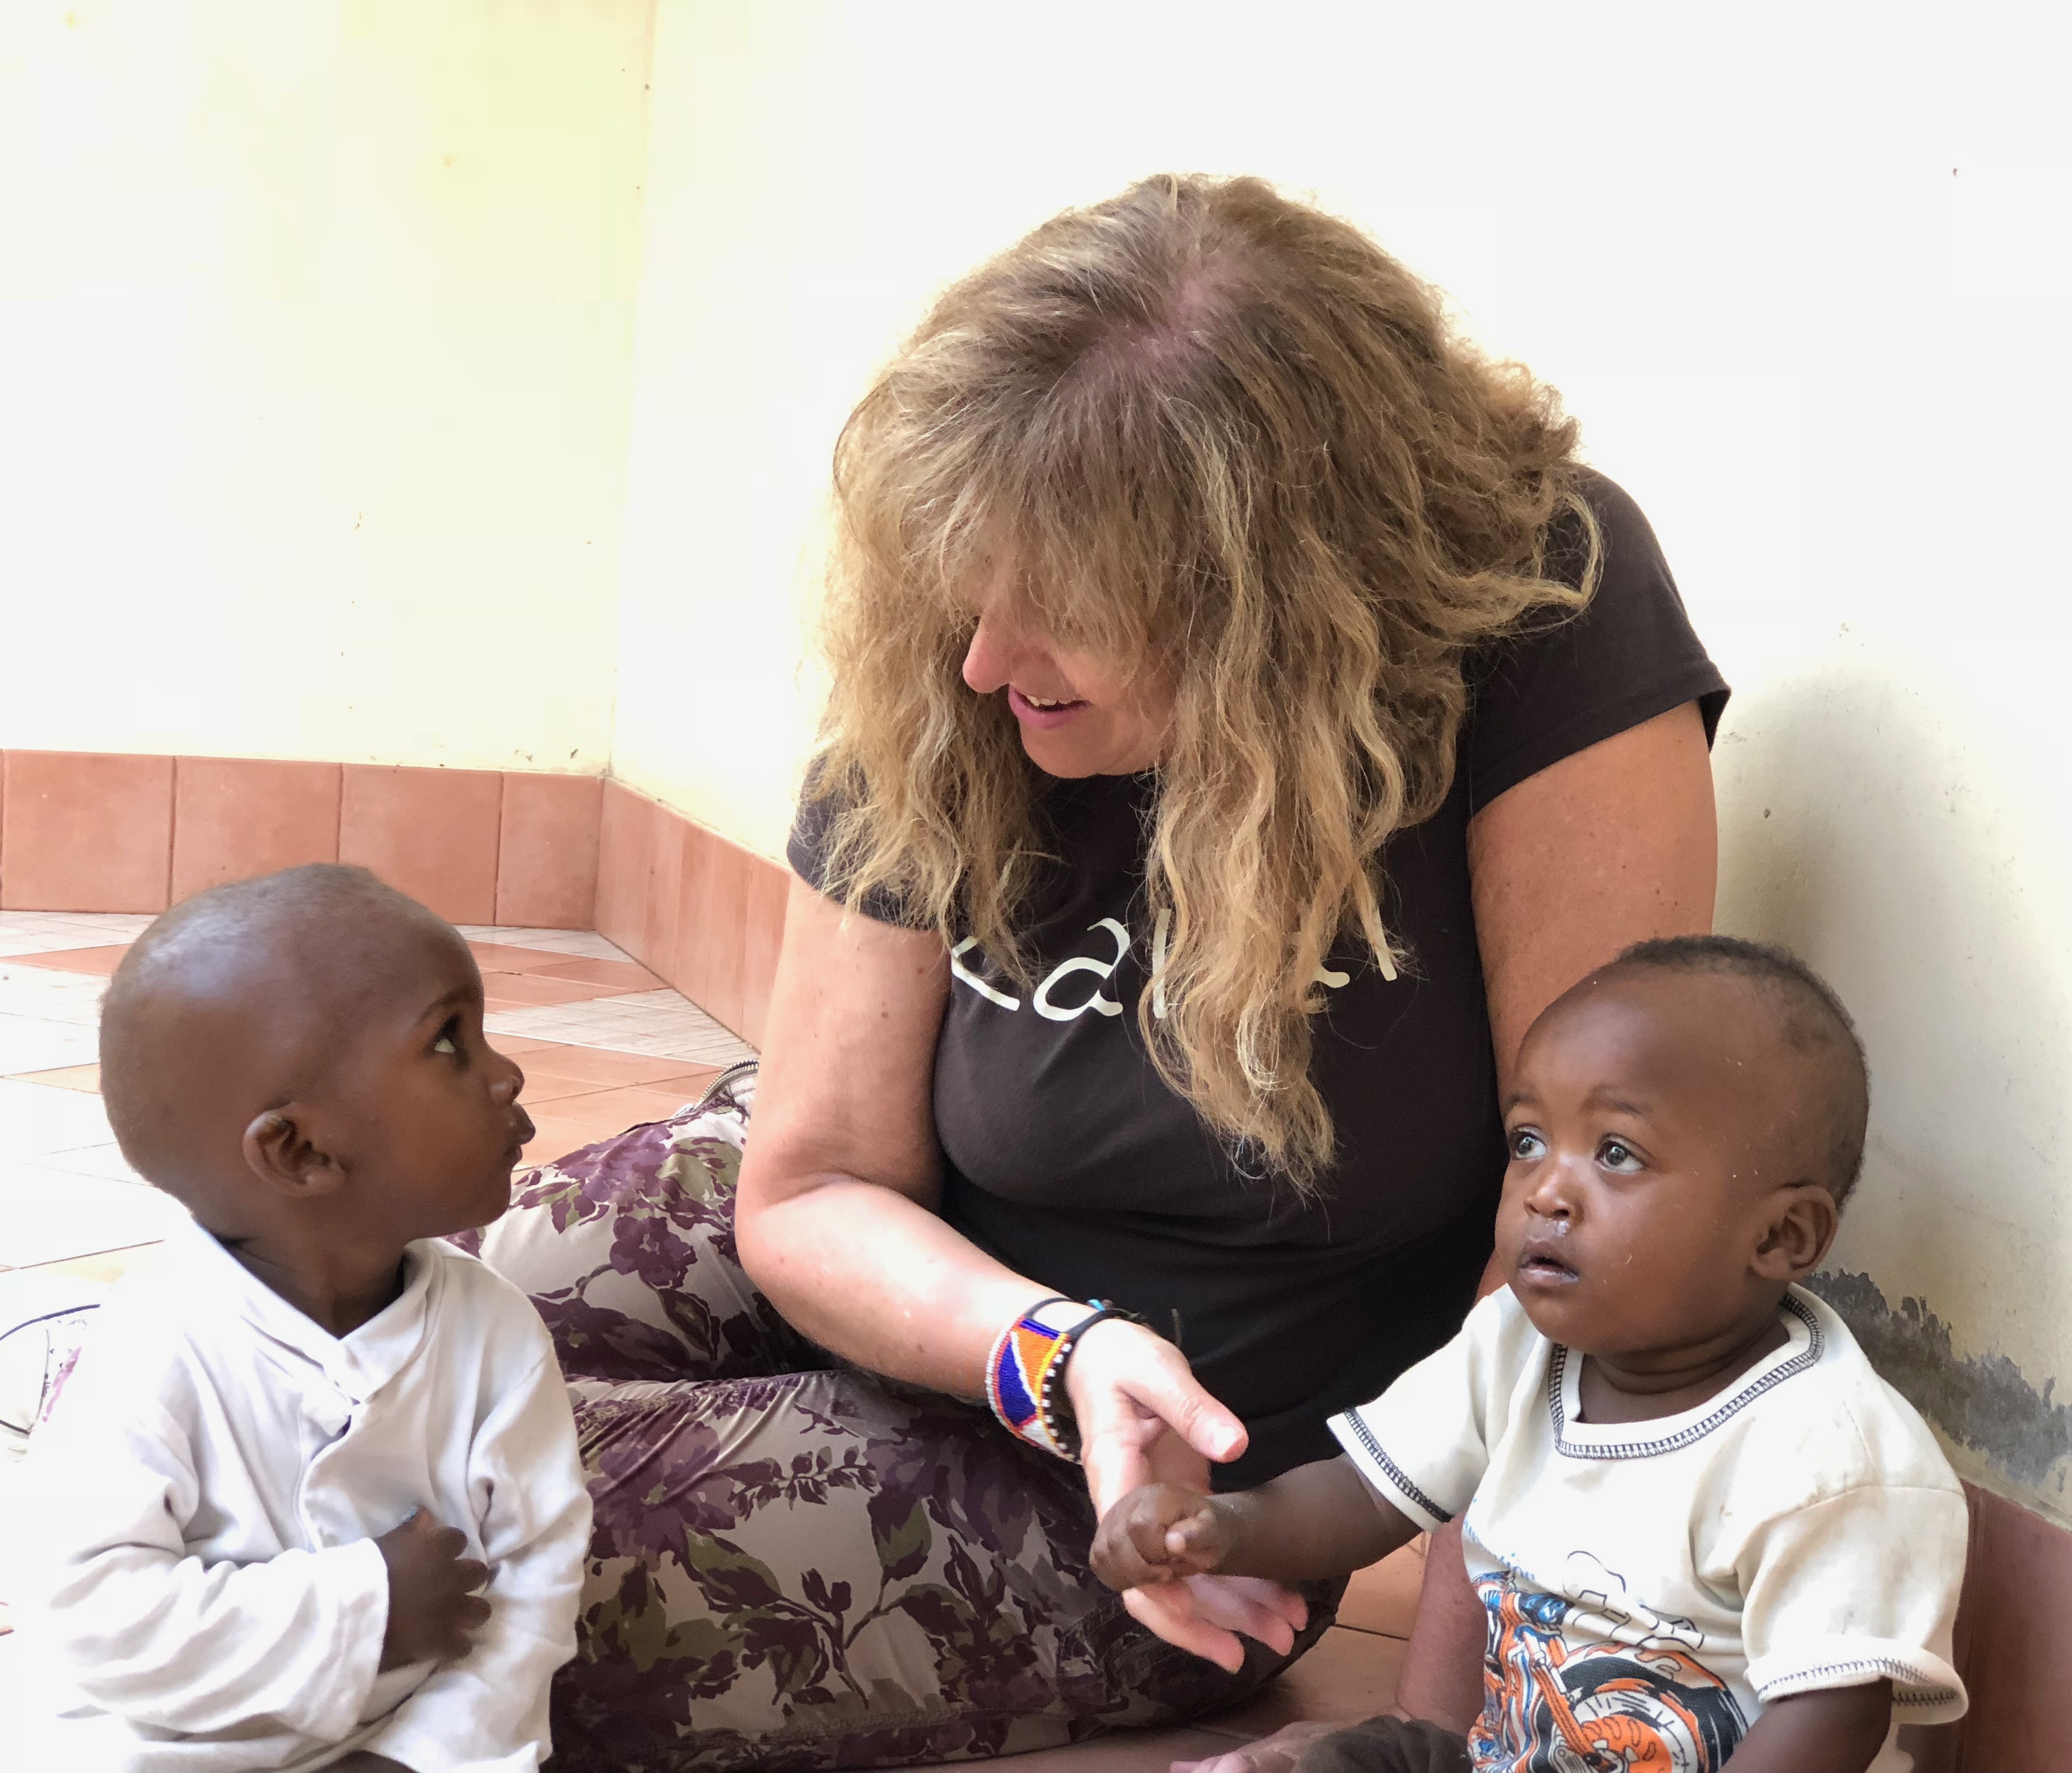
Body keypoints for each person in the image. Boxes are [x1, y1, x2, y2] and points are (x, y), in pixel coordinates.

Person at [457, 171, 1728, 1769]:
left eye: (1058, 612)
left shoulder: (1545, 604)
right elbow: (816, 1179)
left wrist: (1425, 1734)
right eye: (972, 590)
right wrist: (1048, 1348)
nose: (983, 660)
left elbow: (1577, 1254)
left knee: (454, 1565)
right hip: (916, 1259)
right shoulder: (958, 650)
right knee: (316, 1354)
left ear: (1273, 600)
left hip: (1166, 1489)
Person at [1091, 937, 1969, 1773]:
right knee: (1356, 1760)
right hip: (1502, 1755)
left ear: (1781, 1236)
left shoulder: (1830, 1455)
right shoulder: (1516, 1341)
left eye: (1616, 1154)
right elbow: (1364, 1493)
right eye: (1528, 1142)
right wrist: (1221, 1529)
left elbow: (1833, 1718)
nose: (1547, 1190)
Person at [14, 865, 592, 1773]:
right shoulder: (156, 1344)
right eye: (450, 1041)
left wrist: (412, 1758)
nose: (507, 1074)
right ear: (302, 1151)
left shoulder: (497, 1333)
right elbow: (91, 1618)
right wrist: (365, 1611)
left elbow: (532, 1590)